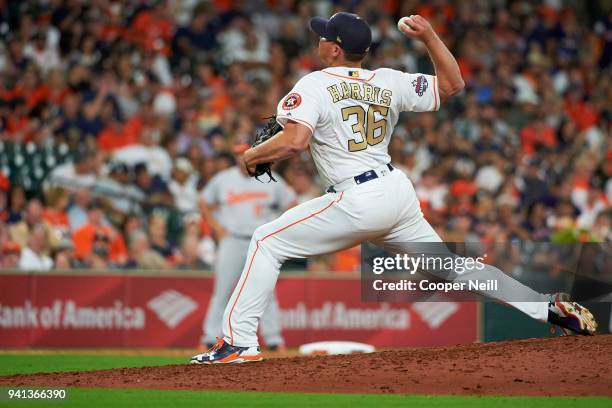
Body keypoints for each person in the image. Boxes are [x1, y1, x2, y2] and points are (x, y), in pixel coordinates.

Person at [191, 13, 597, 365]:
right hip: (395, 193)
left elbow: (295, 142)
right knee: (453, 268)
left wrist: (252, 154)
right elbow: (452, 85)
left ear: (333, 49)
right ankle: (546, 306)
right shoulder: (387, 81)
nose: (319, 41)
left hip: (356, 197)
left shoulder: (314, 83)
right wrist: (430, 38)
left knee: (266, 241)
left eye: (323, 37)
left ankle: (237, 343)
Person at [198, 142, 296, 351]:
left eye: (244, 153)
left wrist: (278, 227)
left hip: (261, 243)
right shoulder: (223, 179)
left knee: (266, 291)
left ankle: (274, 339)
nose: (241, 157)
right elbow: (203, 201)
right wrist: (215, 226)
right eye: (237, 154)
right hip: (232, 240)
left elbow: (292, 202)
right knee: (222, 290)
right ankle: (209, 337)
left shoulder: (270, 178)